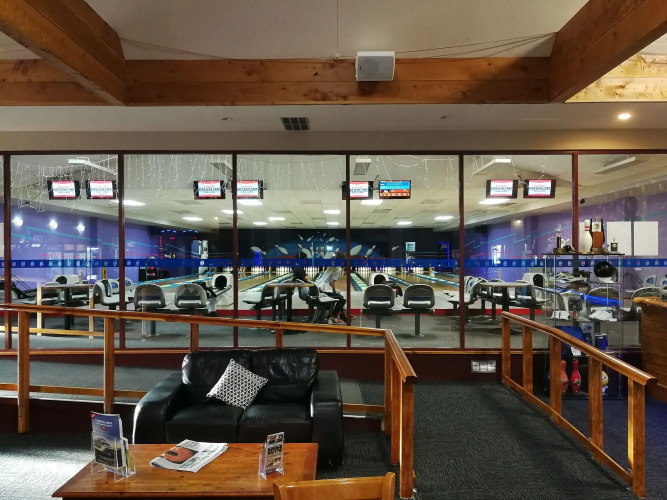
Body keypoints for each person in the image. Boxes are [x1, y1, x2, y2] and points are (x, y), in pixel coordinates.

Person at [315, 251, 354, 323]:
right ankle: (333, 317)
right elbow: (332, 282)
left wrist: (335, 291)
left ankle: (344, 314)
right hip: (324, 288)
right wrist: (334, 290)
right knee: (342, 300)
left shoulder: (331, 265)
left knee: (339, 295)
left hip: (319, 287)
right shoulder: (338, 268)